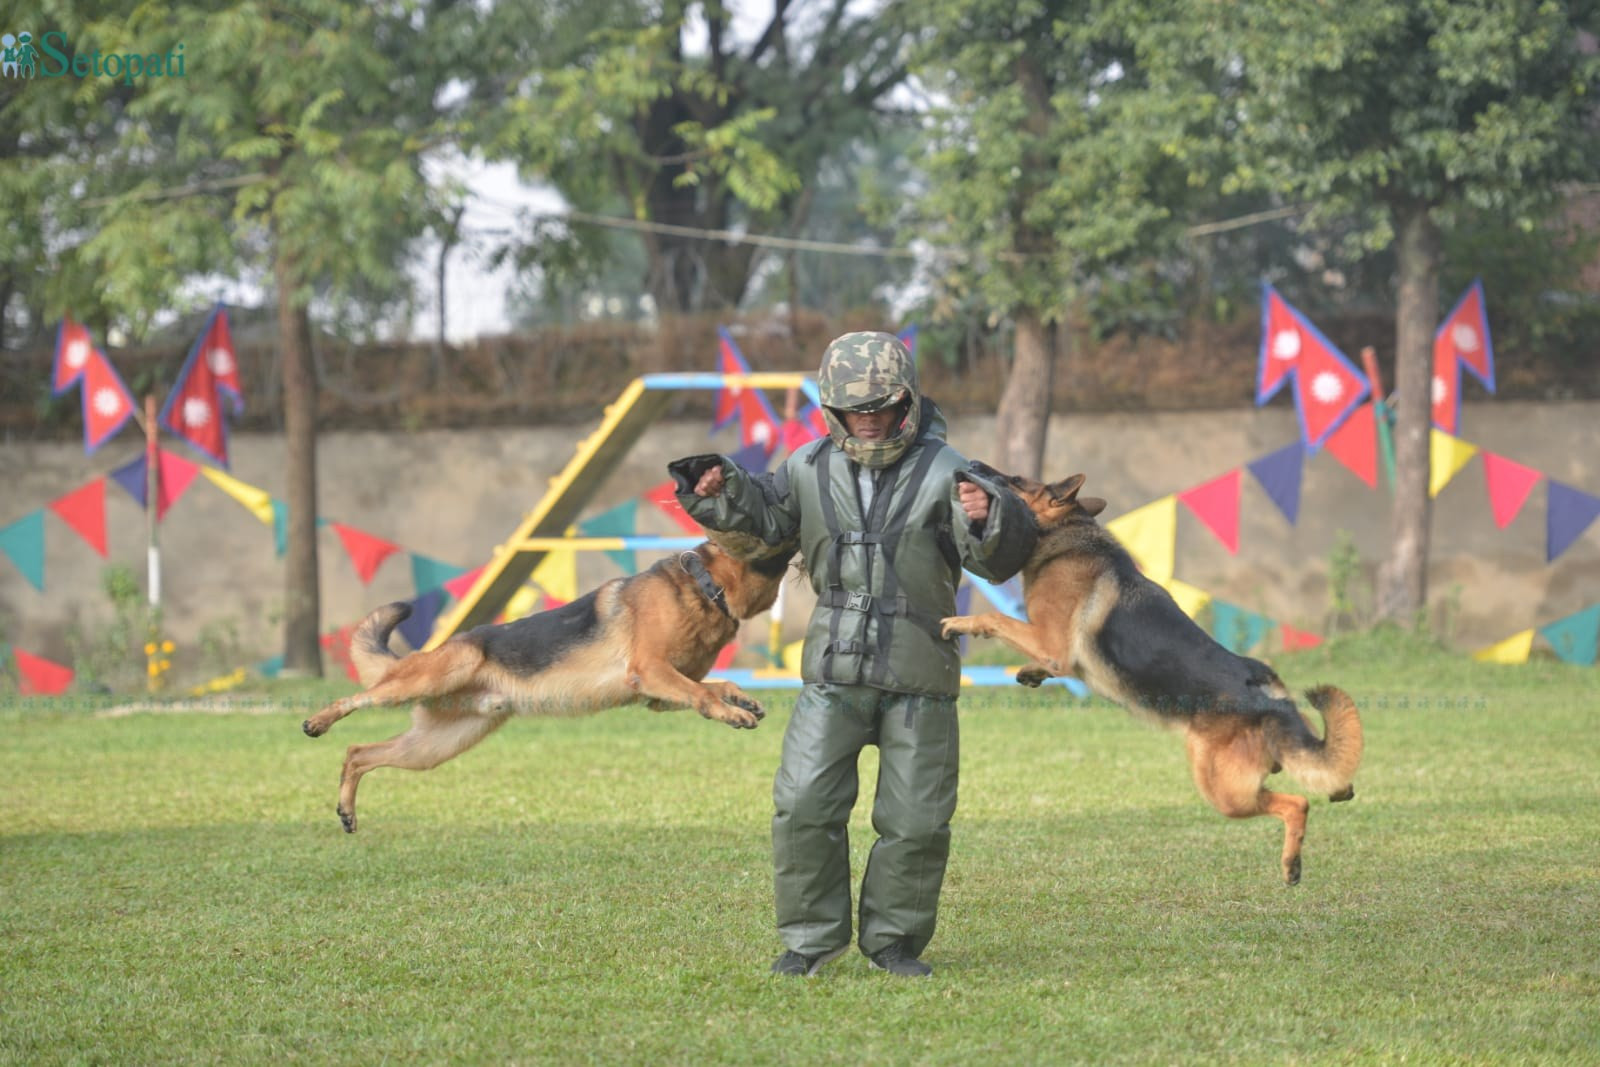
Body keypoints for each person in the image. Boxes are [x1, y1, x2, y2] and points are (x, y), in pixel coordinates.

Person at [669, 331, 1036, 978]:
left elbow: (999, 556)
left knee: (917, 818)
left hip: (921, 669)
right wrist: (717, 488)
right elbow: (765, 523)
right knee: (804, 802)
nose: (866, 419)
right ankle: (810, 939)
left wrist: (987, 515)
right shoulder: (808, 466)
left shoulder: (954, 472)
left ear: (907, 401)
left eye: (879, 406)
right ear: (832, 408)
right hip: (833, 668)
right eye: (852, 408)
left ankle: (894, 942)